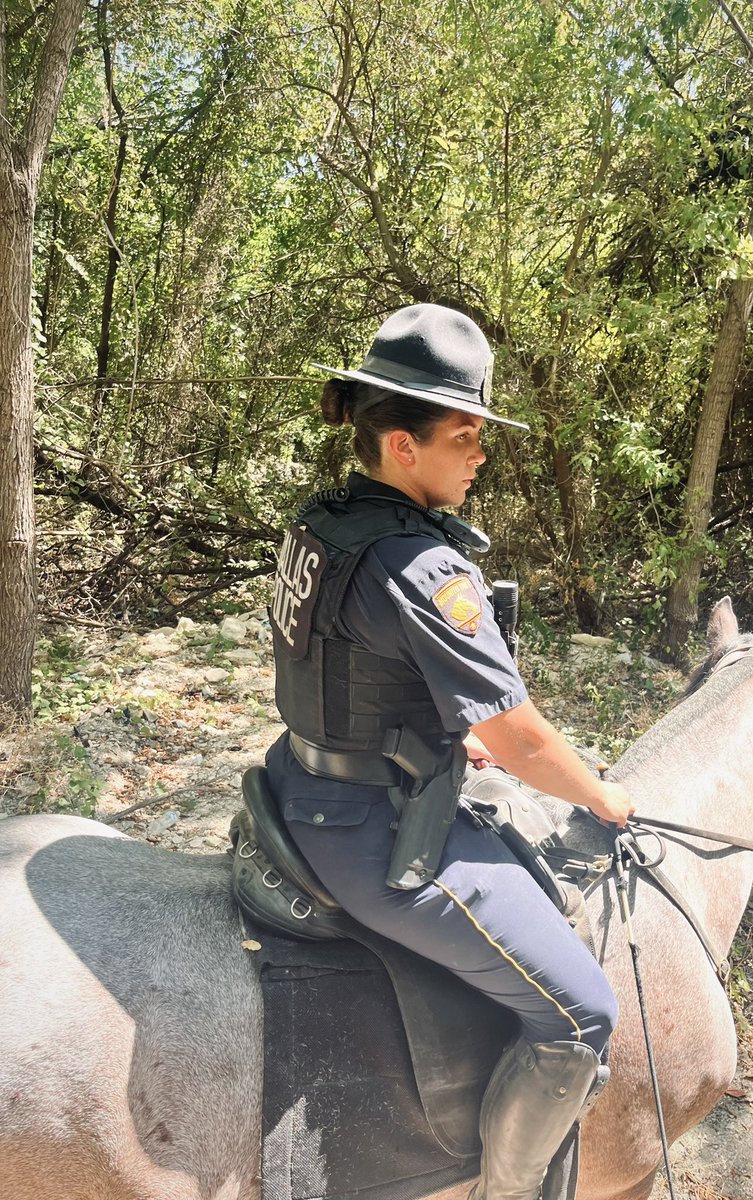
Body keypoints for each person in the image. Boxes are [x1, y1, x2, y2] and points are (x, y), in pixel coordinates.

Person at [265, 303, 633, 1200]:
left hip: (298, 776)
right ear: (402, 446)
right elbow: (520, 736)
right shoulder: (422, 566)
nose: (479, 455)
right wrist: (604, 799)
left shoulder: (326, 520)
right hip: (373, 833)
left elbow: (339, 661)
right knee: (583, 1015)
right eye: (466, 436)